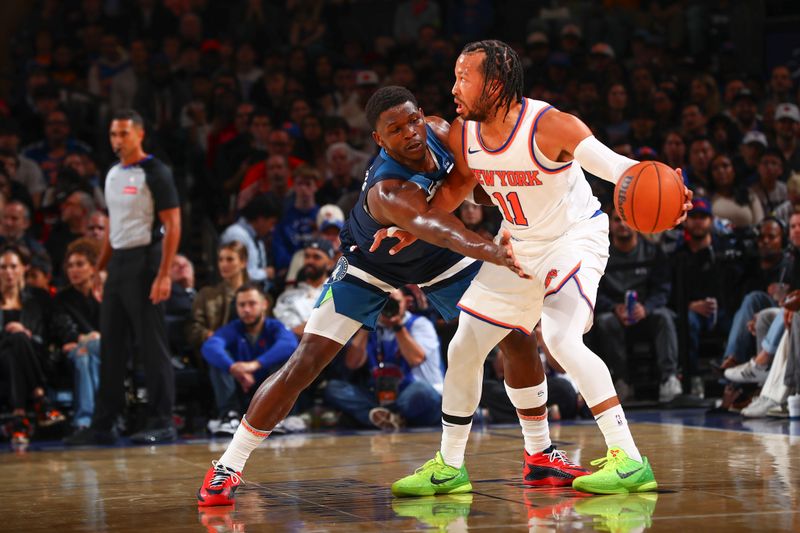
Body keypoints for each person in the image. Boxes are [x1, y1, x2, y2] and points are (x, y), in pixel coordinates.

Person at [197, 86, 586, 508]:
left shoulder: (441, 130)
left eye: (412, 121)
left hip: (436, 258)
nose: (410, 133)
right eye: (395, 129)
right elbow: (438, 226)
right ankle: (228, 466)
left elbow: (479, 171)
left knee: (517, 335)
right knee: (305, 362)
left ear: (423, 115)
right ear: (379, 140)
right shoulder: (386, 190)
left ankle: (540, 454)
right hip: (371, 260)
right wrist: (490, 248)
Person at [384, 40, 690, 495]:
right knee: (464, 347)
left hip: (574, 239)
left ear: (494, 83)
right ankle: (449, 466)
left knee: (561, 337)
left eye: (463, 77)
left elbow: (619, 167)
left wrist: (664, 188)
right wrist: (416, 223)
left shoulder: (550, 126)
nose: (453, 88)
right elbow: (456, 188)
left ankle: (628, 458)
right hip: (518, 243)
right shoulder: (466, 135)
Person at [64, 109, 181, 446]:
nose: (117, 141)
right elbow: (113, 225)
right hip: (117, 264)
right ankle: (104, 423)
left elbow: (173, 225)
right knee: (112, 346)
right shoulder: (113, 173)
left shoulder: (156, 172)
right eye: (113, 134)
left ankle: (163, 421)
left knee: (151, 345)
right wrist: (101, 268)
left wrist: (163, 274)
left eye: (123, 134)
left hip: (146, 262)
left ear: (139, 134)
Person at [591, 207, 681, 403]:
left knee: (665, 316)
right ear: (610, 225)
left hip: (646, 314)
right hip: (616, 315)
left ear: (636, 225)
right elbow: (594, 291)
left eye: (626, 220)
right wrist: (614, 307)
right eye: (617, 220)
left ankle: (669, 379)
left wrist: (646, 307)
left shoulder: (652, 252)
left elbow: (663, 289)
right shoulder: (601, 256)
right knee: (604, 321)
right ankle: (622, 380)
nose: (622, 225)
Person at [324, 288, 443, 429]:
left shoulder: (420, 324)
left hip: (415, 396)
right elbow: (352, 364)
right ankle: (389, 418)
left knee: (421, 390)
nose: (388, 306)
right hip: (381, 397)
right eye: (382, 302)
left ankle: (377, 418)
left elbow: (415, 359)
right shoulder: (372, 327)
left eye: (394, 302)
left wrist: (398, 326)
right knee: (334, 388)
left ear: (407, 302)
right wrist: (366, 324)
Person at [201, 282, 298, 435]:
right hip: (239, 390)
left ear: (264, 304)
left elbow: (289, 344)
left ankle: (276, 415)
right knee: (218, 361)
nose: (246, 309)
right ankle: (229, 416)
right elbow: (210, 346)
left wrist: (254, 365)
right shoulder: (233, 328)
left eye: (252, 304)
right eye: (242, 305)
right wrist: (233, 368)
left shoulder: (274, 327)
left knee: (285, 359)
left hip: (267, 390)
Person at [52, 238, 102, 433]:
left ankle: (86, 420)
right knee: (83, 355)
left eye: (80, 264)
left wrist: (87, 339)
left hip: (104, 349)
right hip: (73, 353)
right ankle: (94, 419)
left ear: (93, 268)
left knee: (88, 353)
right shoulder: (61, 298)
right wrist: (92, 338)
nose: (74, 270)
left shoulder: (104, 295)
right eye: (70, 265)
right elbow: (66, 333)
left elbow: (117, 330)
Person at [187, 242, 249, 358]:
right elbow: (193, 329)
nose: (223, 264)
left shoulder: (258, 296)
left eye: (229, 259)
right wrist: (209, 335)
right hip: (220, 350)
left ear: (243, 262)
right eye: (220, 260)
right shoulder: (207, 294)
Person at [273, 238, 335, 337]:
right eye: (307, 256)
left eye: (316, 257)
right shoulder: (287, 296)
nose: (310, 261)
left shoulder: (337, 292)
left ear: (330, 263)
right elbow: (286, 331)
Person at [219, 193, 281, 288]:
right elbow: (234, 272)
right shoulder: (236, 234)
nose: (272, 229)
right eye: (272, 223)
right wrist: (265, 273)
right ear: (261, 219)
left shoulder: (257, 238)